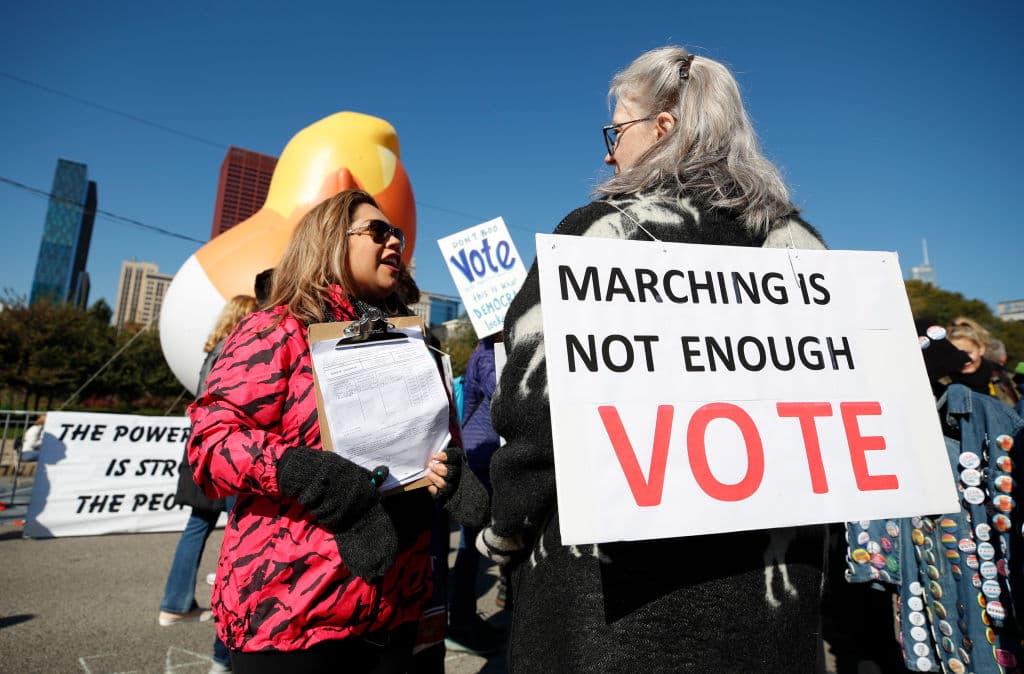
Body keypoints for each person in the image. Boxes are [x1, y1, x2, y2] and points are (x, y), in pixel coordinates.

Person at [477, 46, 827, 672]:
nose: (609, 151)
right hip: (770, 598)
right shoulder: (801, 247)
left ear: (662, 129)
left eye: (617, 130)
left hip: (611, 607)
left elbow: (536, 417)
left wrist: (503, 530)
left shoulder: (600, 234)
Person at [187, 189, 487, 673]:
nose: (395, 243)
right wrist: (297, 469)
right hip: (290, 617)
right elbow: (211, 443)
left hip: (399, 610)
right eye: (378, 232)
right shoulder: (275, 330)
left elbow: (441, 442)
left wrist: (448, 470)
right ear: (329, 240)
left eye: (399, 235)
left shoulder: (416, 343)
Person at [159, 294, 258, 674]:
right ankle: (224, 646)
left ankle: (177, 601)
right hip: (226, 454)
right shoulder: (234, 352)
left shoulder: (211, 351)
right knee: (241, 537)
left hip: (205, 450)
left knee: (199, 525)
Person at [446, 334, 505, 655]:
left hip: (487, 456)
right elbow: (503, 395)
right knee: (472, 544)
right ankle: (461, 623)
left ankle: (465, 619)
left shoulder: (495, 349)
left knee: (477, 544)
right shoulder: (488, 352)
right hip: (481, 458)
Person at [947, 317, 1020, 406]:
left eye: (967, 353)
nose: (964, 361)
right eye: (956, 356)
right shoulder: (944, 384)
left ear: (981, 348)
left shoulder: (1006, 378)